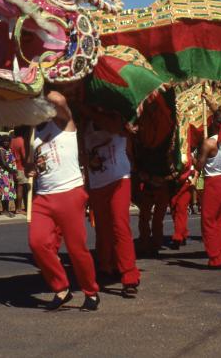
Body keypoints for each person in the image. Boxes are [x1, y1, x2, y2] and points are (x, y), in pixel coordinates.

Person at [25, 89, 100, 311]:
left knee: (77, 249)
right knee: (37, 242)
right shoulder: (33, 135)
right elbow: (31, 165)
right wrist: (30, 169)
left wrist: (33, 86)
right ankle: (61, 288)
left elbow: (58, 99)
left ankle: (91, 292)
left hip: (69, 192)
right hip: (43, 195)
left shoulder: (64, 123)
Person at [83, 116, 140, 297]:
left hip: (120, 180)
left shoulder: (118, 121)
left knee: (120, 226)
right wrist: (89, 161)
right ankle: (106, 265)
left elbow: (128, 141)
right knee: (102, 227)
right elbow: (81, 155)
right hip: (97, 183)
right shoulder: (84, 126)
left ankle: (129, 276)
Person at [196, 109, 221, 269]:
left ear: (213, 122)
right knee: (219, 221)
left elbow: (200, 164)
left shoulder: (209, 143)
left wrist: (195, 159)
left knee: (208, 221)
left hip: (213, 182)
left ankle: (215, 257)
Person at [0, 135, 17, 217]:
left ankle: (7, 210)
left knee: (8, 192)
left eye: (7, 141)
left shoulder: (9, 150)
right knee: (4, 191)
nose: (6, 142)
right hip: (4, 173)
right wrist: (11, 170)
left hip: (9, 174)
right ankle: (4, 210)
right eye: (4, 141)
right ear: (1, 142)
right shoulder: (0, 150)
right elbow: (3, 163)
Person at [10, 125, 29, 213]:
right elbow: (24, 156)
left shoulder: (12, 141)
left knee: (17, 187)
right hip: (21, 167)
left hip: (14, 167)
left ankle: (19, 207)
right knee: (21, 188)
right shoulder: (21, 141)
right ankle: (19, 208)